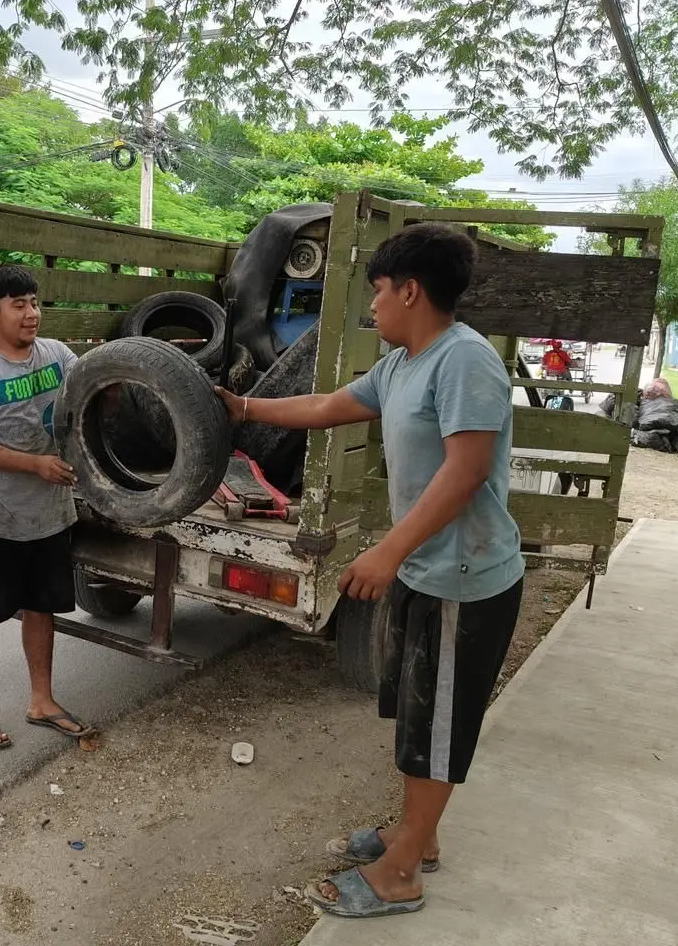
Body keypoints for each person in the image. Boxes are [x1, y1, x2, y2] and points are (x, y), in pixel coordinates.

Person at [215, 223, 525, 919]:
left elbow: (467, 472)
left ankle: (402, 872)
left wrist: (387, 550)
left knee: (437, 723)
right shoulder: (404, 363)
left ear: (410, 290)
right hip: (430, 568)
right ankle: (420, 836)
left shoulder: (464, 361)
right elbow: (329, 407)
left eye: (379, 293)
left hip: (466, 581)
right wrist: (246, 408)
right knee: (417, 714)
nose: (373, 308)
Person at [0, 265, 94, 750]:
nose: (32, 314)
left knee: (42, 605)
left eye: (34, 302)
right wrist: (35, 465)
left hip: (51, 511)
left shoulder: (57, 355)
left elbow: (87, 400)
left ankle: (42, 700)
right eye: (18, 305)